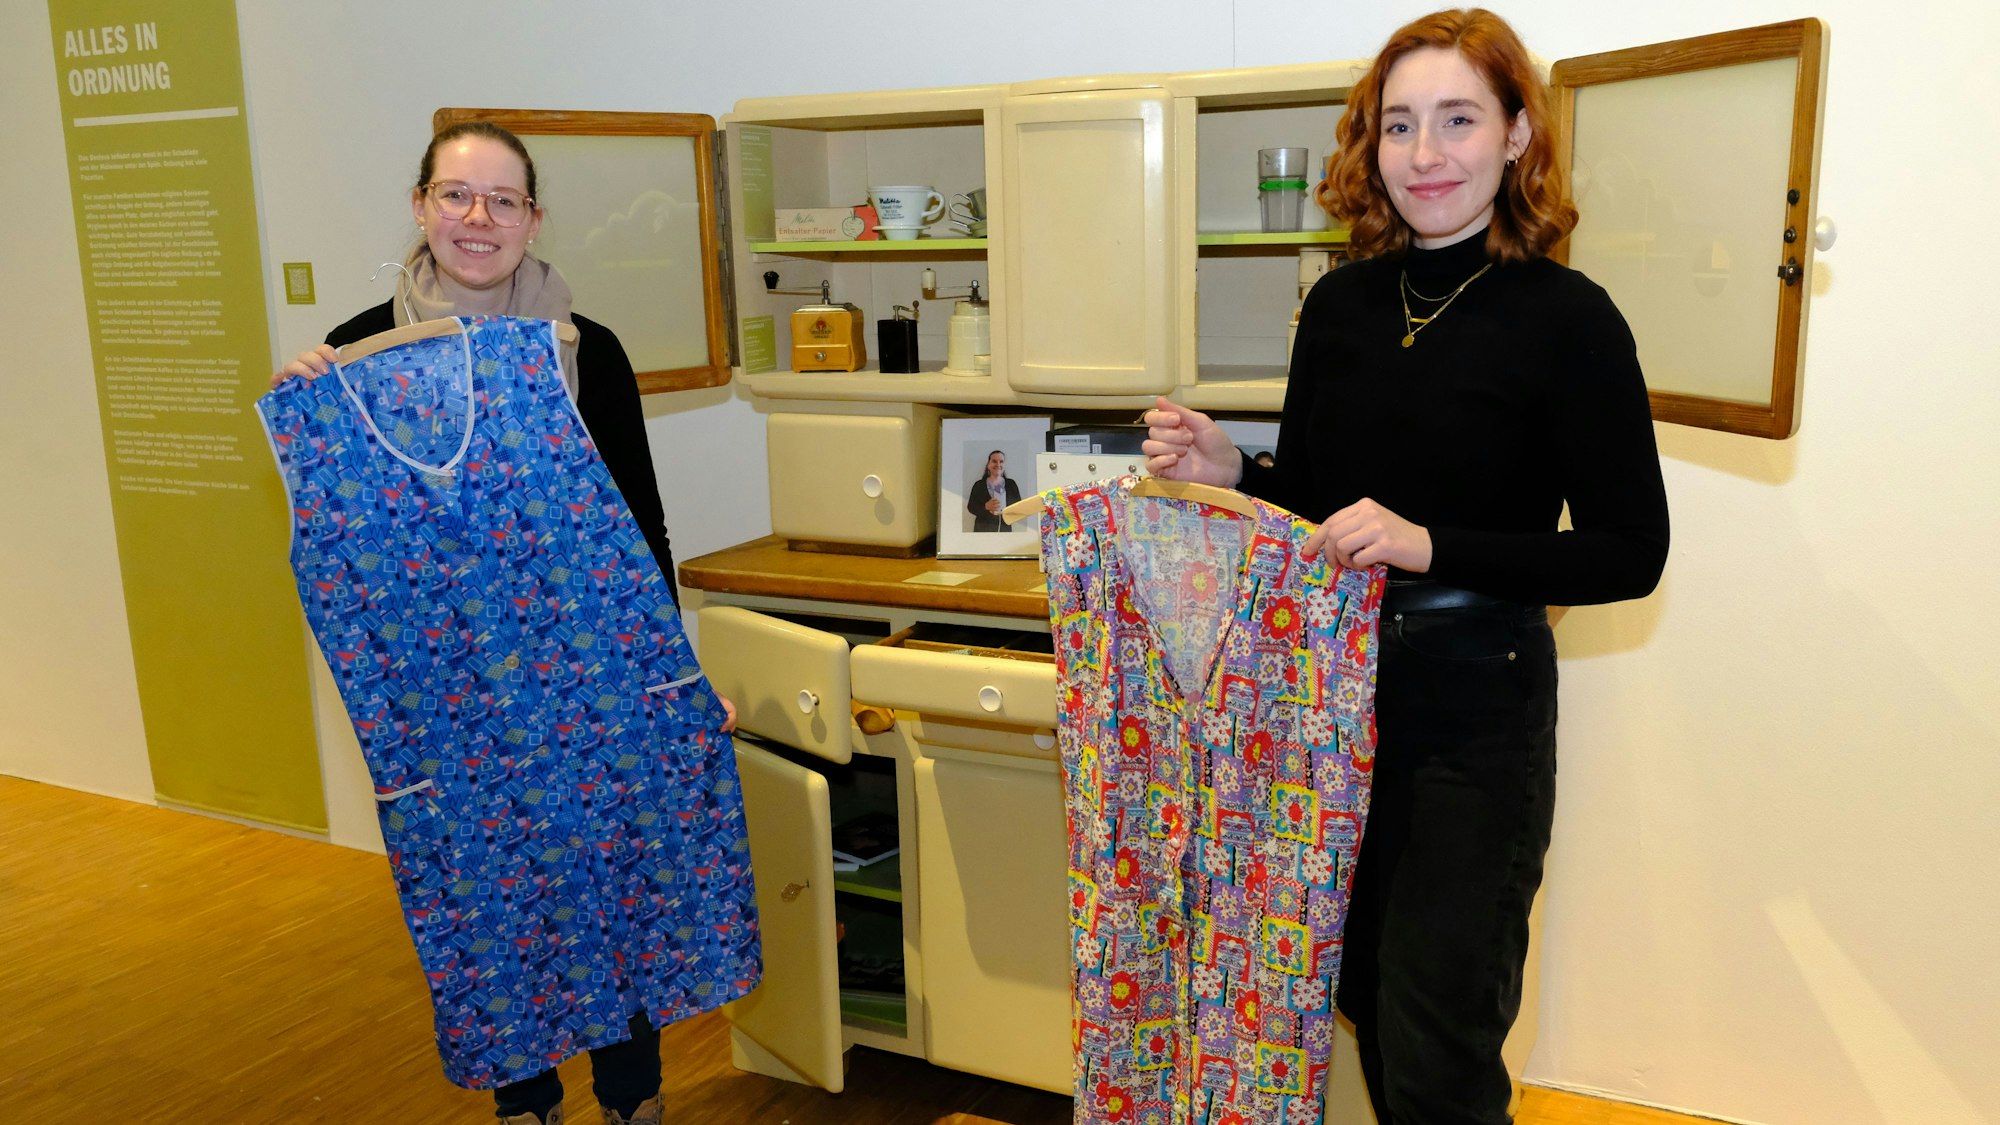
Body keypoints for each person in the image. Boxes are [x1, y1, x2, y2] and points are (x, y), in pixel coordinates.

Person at [1143, 10, 1669, 1123]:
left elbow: (1631, 551)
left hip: (1473, 708)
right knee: (1362, 995)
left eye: (1457, 120)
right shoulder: (1337, 305)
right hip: (1327, 697)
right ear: (1367, 144)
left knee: (1439, 1031)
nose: (1424, 155)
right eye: (1397, 125)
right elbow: (1323, 505)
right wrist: (1233, 466)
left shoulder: (1568, 321)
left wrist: (1433, 545)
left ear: (1518, 135)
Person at [274, 121, 735, 1125]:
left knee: (616, 879)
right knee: (490, 897)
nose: (477, 220)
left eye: (502, 200)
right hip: (452, 695)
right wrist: (306, 409)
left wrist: (672, 677)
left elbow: (636, 525)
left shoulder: (585, 351)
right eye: (455, 196)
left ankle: (630, 1098)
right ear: (419, 206)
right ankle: (524, 1102)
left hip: (590, 679)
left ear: (532, 217)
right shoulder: (353, 354)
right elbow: (342, 547)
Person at [965, 448, 1022, 532]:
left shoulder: (1011, 484)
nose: (998, 464)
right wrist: (985, 507)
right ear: (988, 465)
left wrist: (1008, 511)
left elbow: (1019, 506)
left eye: (1001, 461)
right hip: (983, 530)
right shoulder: (979, 485)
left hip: (1004, 530)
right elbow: (971, 507)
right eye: (994, 461)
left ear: (1004, 465)